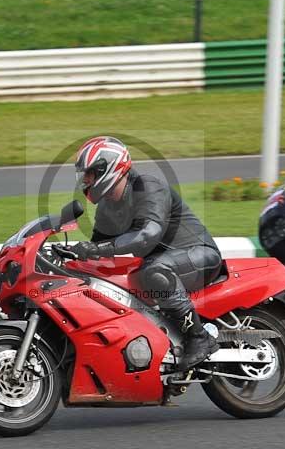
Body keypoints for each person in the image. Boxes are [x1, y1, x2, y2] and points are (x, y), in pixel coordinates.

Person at [70, 136, 222, 370]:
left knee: (154, 272)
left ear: (107, 168)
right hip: (160, 264)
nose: (86, 180)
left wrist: (101, 248)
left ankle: (199, 338)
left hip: (200, 256)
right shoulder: (107, 208)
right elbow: (98, 253)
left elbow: (147, 234)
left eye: (89, 174)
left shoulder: (148, 186)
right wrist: (71, 256)